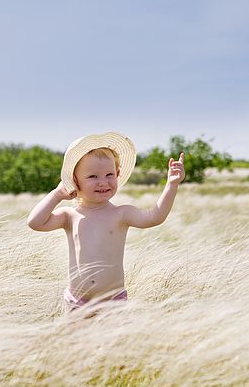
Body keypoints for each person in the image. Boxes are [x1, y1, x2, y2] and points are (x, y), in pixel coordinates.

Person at [27, 131, 185, 314]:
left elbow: (155, 217)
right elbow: (35, 222)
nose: (103, 182)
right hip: (77, 301)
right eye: (93, 177)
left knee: (113, 343)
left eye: (109, 174)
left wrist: (171, 185)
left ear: (117, 174)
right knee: (74, 342)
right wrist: (57, 194)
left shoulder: (121, 213)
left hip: (113, 301)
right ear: (75, 181)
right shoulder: (69, 216)